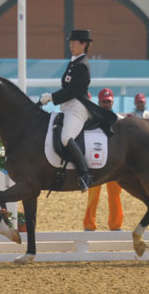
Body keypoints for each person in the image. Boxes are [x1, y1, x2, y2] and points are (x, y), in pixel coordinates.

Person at [39, 29, 117, 192]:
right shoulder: (73, 62)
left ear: (84, 44)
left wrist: (51, 97)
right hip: (68, 106)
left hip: (77, 107)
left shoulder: (82, 65)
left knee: (66, 137)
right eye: (70, 42)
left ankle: (84, 175)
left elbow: (73, 90)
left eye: (75, 42)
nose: (71, 45)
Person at [83, 88, 123, 231]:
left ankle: (116, 225)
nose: (106, 104)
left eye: (108, 101)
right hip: (96, 164)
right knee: (93, 196)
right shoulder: (91, 120)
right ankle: (89, 224)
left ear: (112, 102)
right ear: (98, 102)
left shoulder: (119, 120)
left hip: (114, 165)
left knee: (115, 196)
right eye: (104, 101)